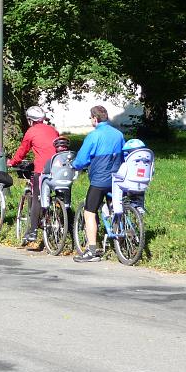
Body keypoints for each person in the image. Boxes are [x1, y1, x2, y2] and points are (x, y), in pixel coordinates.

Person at [72, 105, 124, 263]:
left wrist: (75, 165)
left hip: (99, 180)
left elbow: (81, 160)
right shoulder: (119, 134)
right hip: (116, 179)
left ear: (95, 118)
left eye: (90, 118)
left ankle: (92, 250)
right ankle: (121, 242)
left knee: (89, 212)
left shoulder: (93, 136)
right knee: (116, 207)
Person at [7, 105, 60, 245]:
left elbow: (22, 150)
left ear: (30, 120)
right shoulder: (53, 130)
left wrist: (12, 162)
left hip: (42, 169)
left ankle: (33, 231)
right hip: (57, 168)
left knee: (36, 198)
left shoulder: (31, 132)